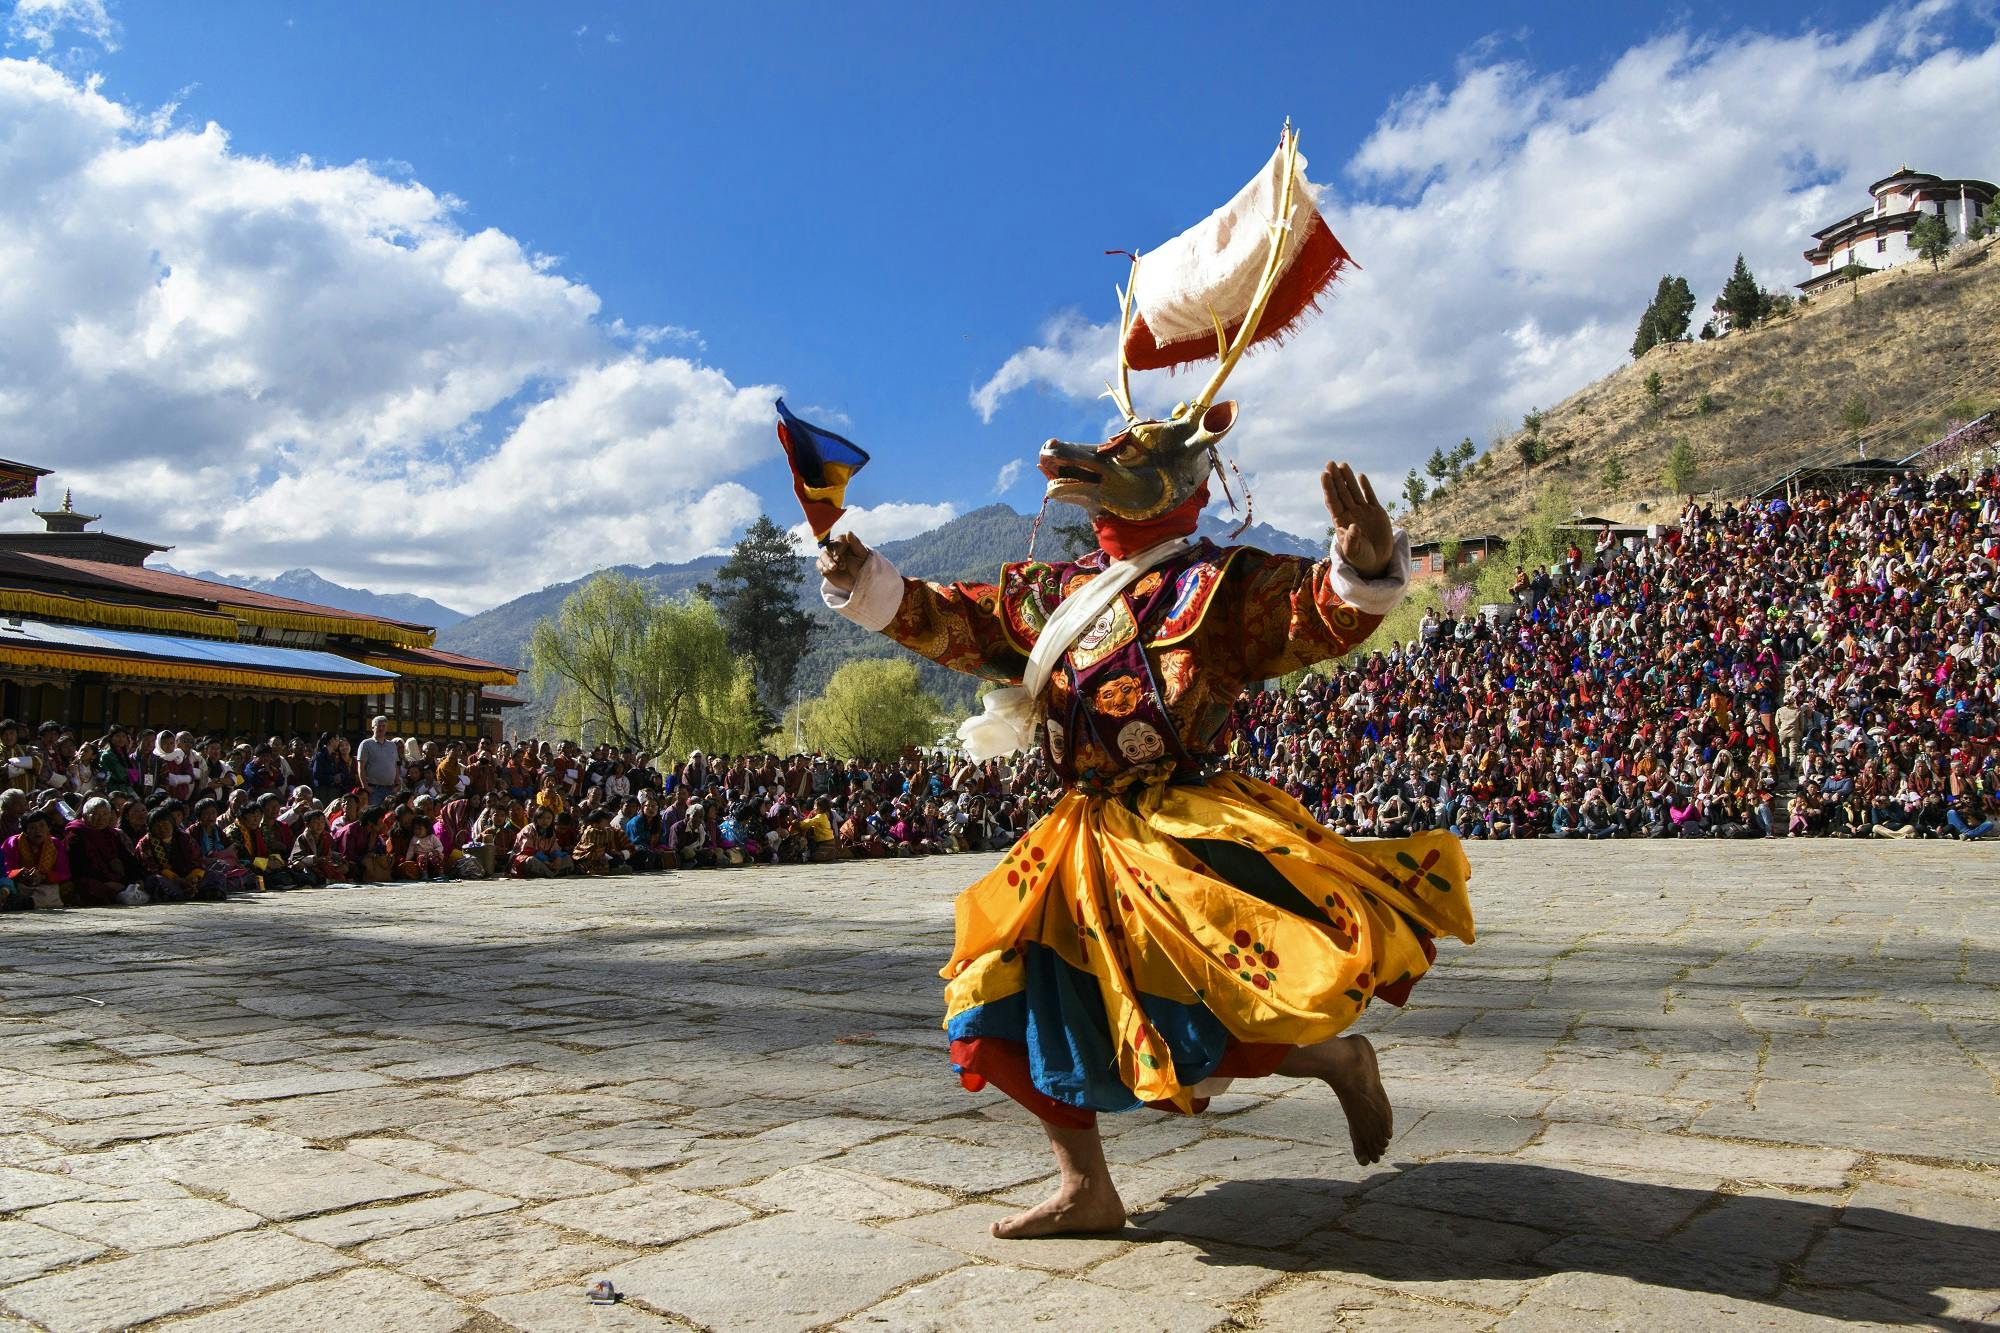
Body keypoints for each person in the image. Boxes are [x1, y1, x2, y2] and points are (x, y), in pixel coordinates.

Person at [821, 241, 1474, 1239]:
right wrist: (869, 578)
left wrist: (1363, 567)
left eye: (1122, 460)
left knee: (1201, 1004)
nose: (1084, 469)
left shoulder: (1215, 587)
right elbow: (947, 620)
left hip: (1185, 819)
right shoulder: (1046, 593)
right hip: (1076, 830)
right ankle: (1087, 1183)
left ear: (1179, 479)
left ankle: (1336, 1057)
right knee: (999, 993)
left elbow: (1305, 617)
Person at [4, 809, 73, 909]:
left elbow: (63, 872)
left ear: (48, 828)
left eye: (42, 826)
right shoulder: (12, 843)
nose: (38, 831)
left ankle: (27, 903)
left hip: (45, 884)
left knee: (54, 889)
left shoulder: (55, 844)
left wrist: (44, 876)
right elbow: (4, 869)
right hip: (20, 883)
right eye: (32, 827)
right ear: (25, 831)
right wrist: (20, 873)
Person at [355, 716, 402, 804]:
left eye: (383, 726)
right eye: (378, 726)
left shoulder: (392, 745)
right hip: (374, 790)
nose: (381, 728)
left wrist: (398, 784)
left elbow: (395, 765)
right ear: (372, 728)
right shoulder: (366, 744)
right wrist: (365, 787)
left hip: (390, 789)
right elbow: (360, 767)